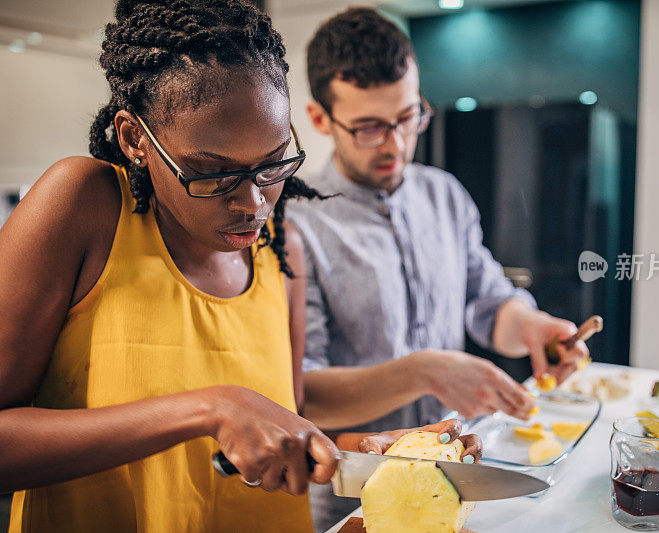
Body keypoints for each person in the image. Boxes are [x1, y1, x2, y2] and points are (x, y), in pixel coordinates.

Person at [0, 2, 479, 531]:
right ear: (136, 138)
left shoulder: (280, 247)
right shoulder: (83, 205)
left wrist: (370, 459)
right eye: (213, 173)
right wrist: (209, 408)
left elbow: (285, 430)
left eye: (274, 162)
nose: (254, 203)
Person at [289, 7, 591, 434]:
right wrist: (423, 373)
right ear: (321, 119)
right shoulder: (296, 223)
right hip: (356, 489)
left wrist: (531, 328)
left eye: (408, 118)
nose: (396, 144)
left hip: (456, 461)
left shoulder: (444, 194)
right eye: (369, 128)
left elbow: (486, 304)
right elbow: (304, 395)